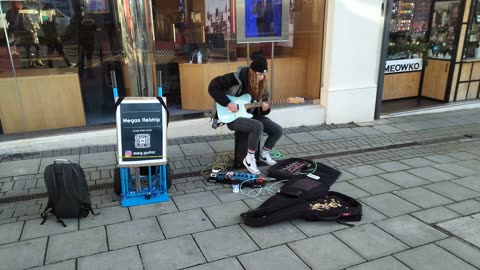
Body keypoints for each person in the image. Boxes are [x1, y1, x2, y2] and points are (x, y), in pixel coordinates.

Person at [208, 54, 283, 175]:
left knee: (277, 130)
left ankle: (264, 154)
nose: (262, 77)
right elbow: (213, 87)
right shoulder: (235, 78)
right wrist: (227, 103)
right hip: (232, 116)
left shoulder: (262, 85)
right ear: (252, 72)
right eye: (259, 74)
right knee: (257, 126)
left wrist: (265, 108)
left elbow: (261, 108)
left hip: (251, 115)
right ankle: (249, 158)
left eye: (263, 74)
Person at [41, 3, 76, 68]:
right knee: (60, 50)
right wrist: (56, 36)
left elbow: (45, 26)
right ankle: (68, 63)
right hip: (53, 36)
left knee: (51, 50)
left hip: (48, 36)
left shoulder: (44, 15)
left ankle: (50, 64)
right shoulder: (49, 15)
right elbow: (52, 27)